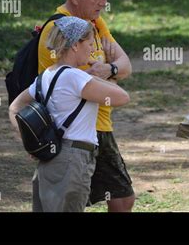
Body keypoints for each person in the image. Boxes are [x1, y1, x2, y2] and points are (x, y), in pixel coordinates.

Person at [37, 0, 135, 212]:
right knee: (92, 202)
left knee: (120, 199)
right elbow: (84, 87)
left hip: (99, 127)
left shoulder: (95, 23)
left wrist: (108, 70)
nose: (104, 2)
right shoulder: (59, 30)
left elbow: (125, 67)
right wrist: (110, 74)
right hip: (79, 131)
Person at [9, 16, 130, 212]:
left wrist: (29, 142)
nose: (92, 50)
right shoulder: (76, 77)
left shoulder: (46, 75)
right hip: (73, 160)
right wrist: (102, 73)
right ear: (75, 45)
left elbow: (14, 107)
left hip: (49, 156)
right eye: (90, 44)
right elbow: (123, 97)